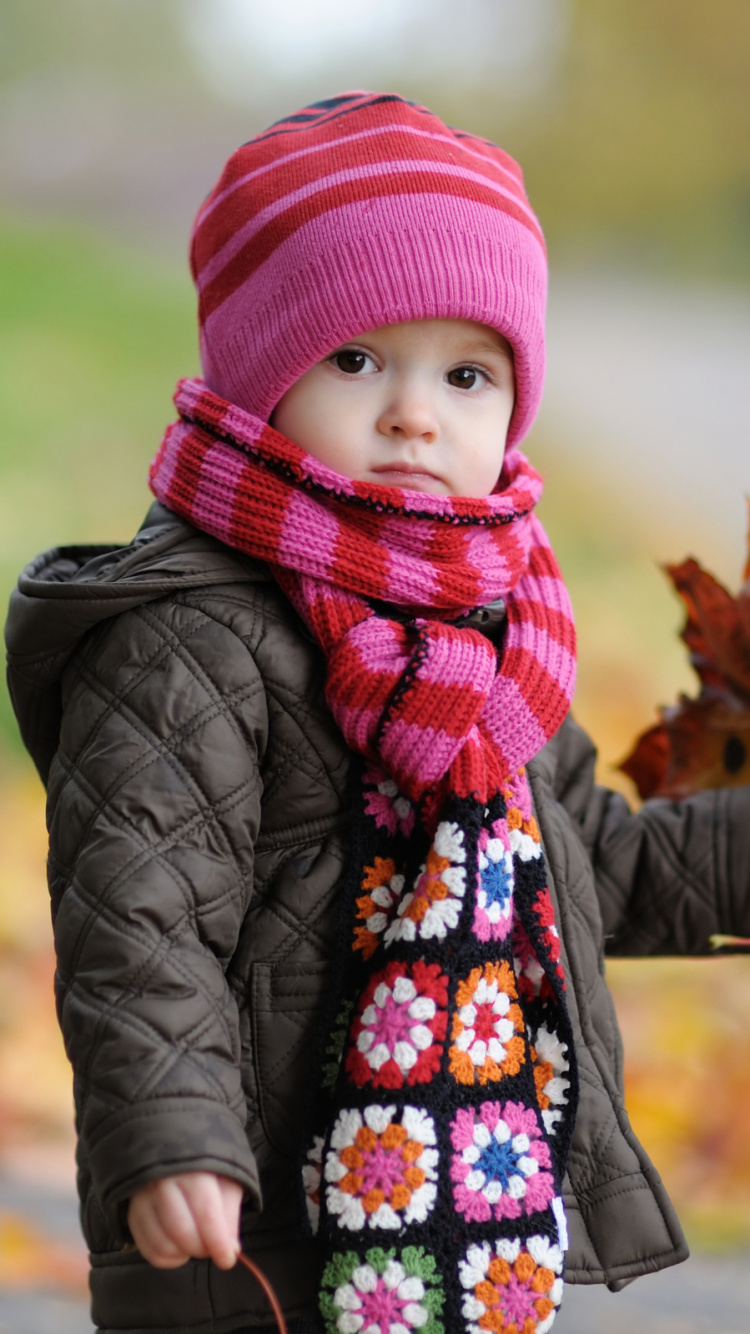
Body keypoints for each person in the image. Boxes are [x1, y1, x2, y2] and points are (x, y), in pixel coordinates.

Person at [5, 91, 750, 1334]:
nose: (415, 411)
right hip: (251, 1217)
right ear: (256, 371)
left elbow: (590, 865)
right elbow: (139, 919)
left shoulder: (495, 639)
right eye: (356, 358)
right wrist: (171, 1140)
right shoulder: (183, 634)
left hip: (463, 1199)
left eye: (467, 373)